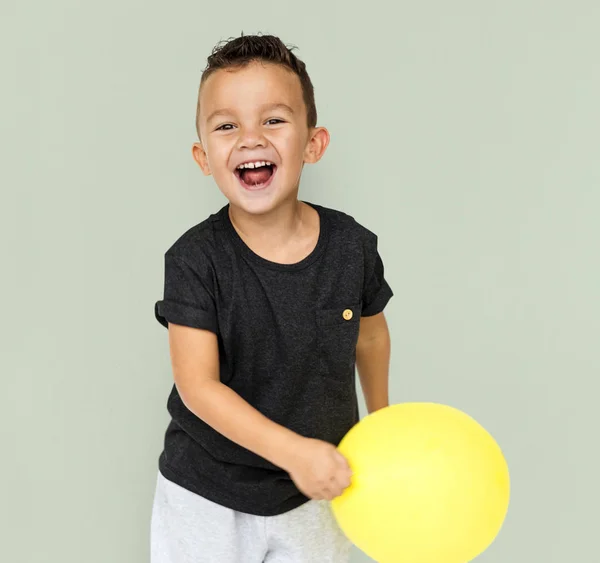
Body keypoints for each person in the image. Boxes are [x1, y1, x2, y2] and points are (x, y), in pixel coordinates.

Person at [151, 33, 393, 563]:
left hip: (315, 493)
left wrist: (381, 423)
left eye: (273, 120)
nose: (249, 138)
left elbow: (371, 336)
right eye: (226, 125)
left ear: (314, 144)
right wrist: (294, 452)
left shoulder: (352, 248)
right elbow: (198, 388)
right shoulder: (194, 260)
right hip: (206, 495)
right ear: (203, 156)